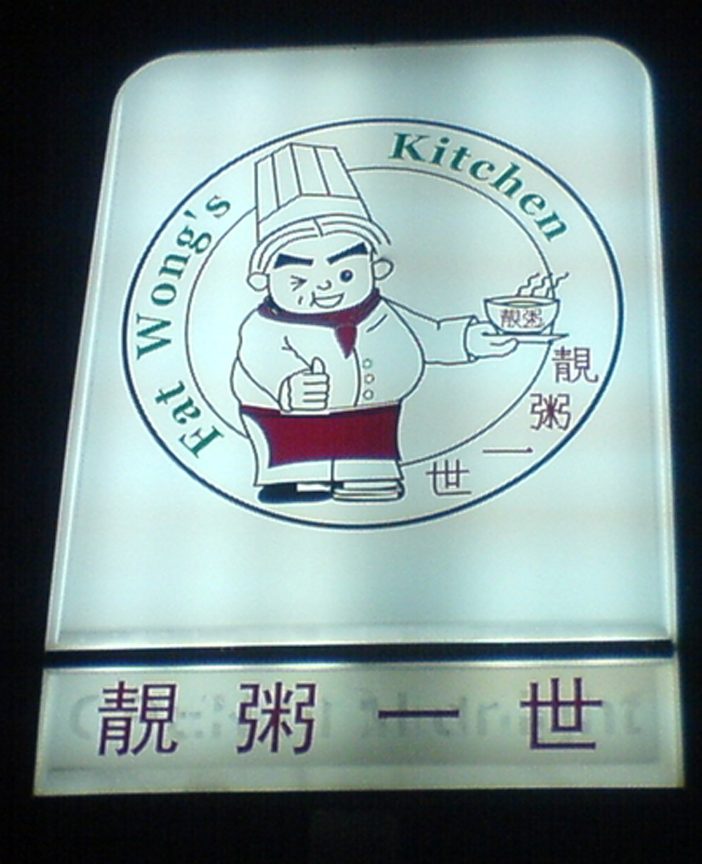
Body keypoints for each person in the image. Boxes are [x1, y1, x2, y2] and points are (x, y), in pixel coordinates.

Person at [231, 142, 516, 503]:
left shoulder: (380, 312)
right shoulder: (266, 326)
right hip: (288, 418)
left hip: (374, 417)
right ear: (264, 281)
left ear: (376, 269)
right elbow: (260, 362)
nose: (326, 288)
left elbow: (428, 334)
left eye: (345, 273)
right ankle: (294, 480)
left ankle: (365, 478)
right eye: (299, 279)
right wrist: (287, 385)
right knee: (296, 454)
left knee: (367, 458)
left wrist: (469, 339)